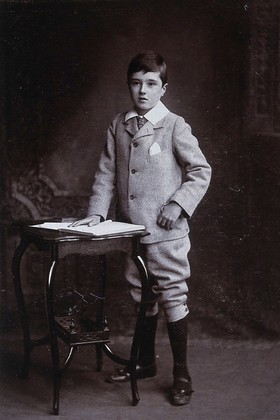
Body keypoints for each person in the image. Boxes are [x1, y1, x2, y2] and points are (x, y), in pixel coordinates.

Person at [71, 50, 211, 405]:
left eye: (151, 84)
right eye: (136, 84)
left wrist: (178, 205)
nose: (142, 91)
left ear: (164, 88)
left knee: (171, 295)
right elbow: (106, 173)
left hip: (167, 234)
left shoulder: (175, 125)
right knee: (142, 296)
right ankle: (144, 363)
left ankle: (182, 376)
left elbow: (200, 171)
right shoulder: (119, 125)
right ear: (129, 86)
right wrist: (98, 214)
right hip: (131, 232)